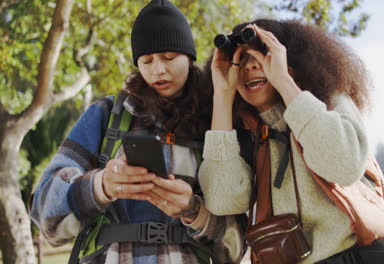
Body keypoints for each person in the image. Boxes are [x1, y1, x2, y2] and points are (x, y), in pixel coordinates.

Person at [199, 19, 384, 263]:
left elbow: (344, 165)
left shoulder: (330, 101)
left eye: (262, 54)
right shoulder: (249, 133)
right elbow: (223, 201)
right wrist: (223, 96)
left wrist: (284, 81)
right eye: (241, 59)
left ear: (290, 59)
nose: (249, 67)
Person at [29, 1, 244, 263]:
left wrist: (194, 210)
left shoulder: (216, 120)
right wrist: (101, 186)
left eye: (169, 57)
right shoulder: (105, 115)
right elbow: (43, 213)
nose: (158, 70)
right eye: (147, 60)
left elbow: (237, 244)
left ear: (189, 57)